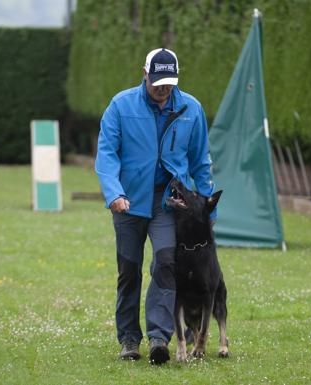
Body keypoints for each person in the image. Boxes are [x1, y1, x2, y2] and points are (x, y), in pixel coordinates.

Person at [95, 48, 215, 364]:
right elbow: (106, 154)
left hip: (168, 201)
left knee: (166, 262)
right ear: (145, 73)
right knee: (129, 270)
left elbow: (201, 162)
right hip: (128, 201)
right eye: (158, 81)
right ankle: (129, 341)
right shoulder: (120, 106)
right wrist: (114, 194)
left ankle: (160, 338)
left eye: (170, 83)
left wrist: (207, 210)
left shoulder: (192, 109)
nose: (163, 89)